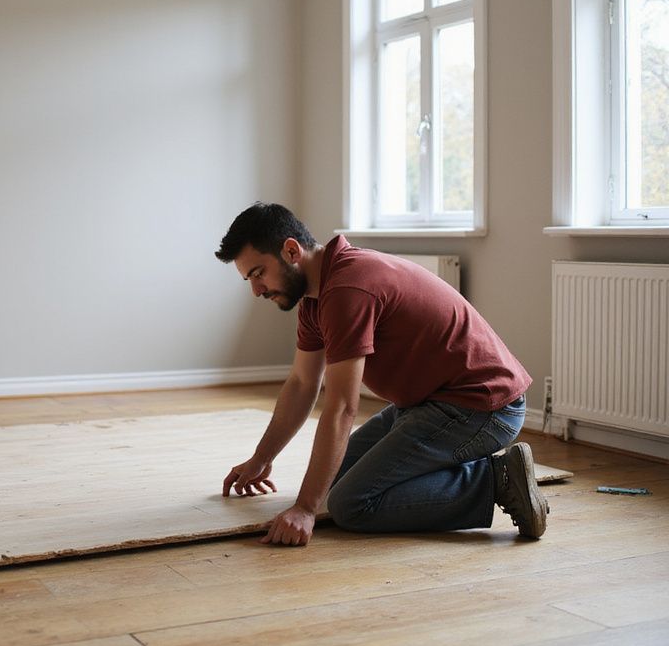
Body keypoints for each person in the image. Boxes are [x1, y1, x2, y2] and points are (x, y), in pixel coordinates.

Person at [215, 202, 547, 547]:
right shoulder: (316, 299)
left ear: (291, 250)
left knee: (351, 505)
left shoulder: (346, 289)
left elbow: (343, 407)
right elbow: (302, 384)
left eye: (258, 274)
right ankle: (449, 470)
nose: (256, 290)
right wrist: (261, 458)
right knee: (331, 484)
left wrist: (304, 510)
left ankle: (496, 479)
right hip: (430, 404)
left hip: (483, 407)